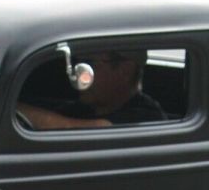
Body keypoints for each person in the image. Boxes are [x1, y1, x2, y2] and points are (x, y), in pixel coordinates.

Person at [18, 49, 166, 130]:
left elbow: (80, 130)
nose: (80, 74)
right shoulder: (82, 109)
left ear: (125, 71)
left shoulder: (146, 117)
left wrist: (17, 111)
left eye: (89, 64)